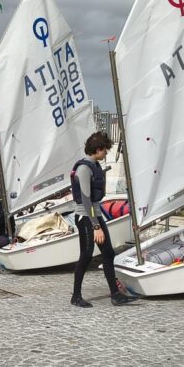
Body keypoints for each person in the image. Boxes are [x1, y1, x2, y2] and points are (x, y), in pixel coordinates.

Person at [71, 132, 135, 308]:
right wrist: (96, 226)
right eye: (105, 150)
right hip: (85, 216)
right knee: (86, 255)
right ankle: (76, 296)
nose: (106, 154)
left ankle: (116, 295)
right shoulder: (84, 168)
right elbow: (85, 198)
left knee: (108, 254)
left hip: (94, 214)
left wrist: (97, 221)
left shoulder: (95, 165)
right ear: (98, 149)